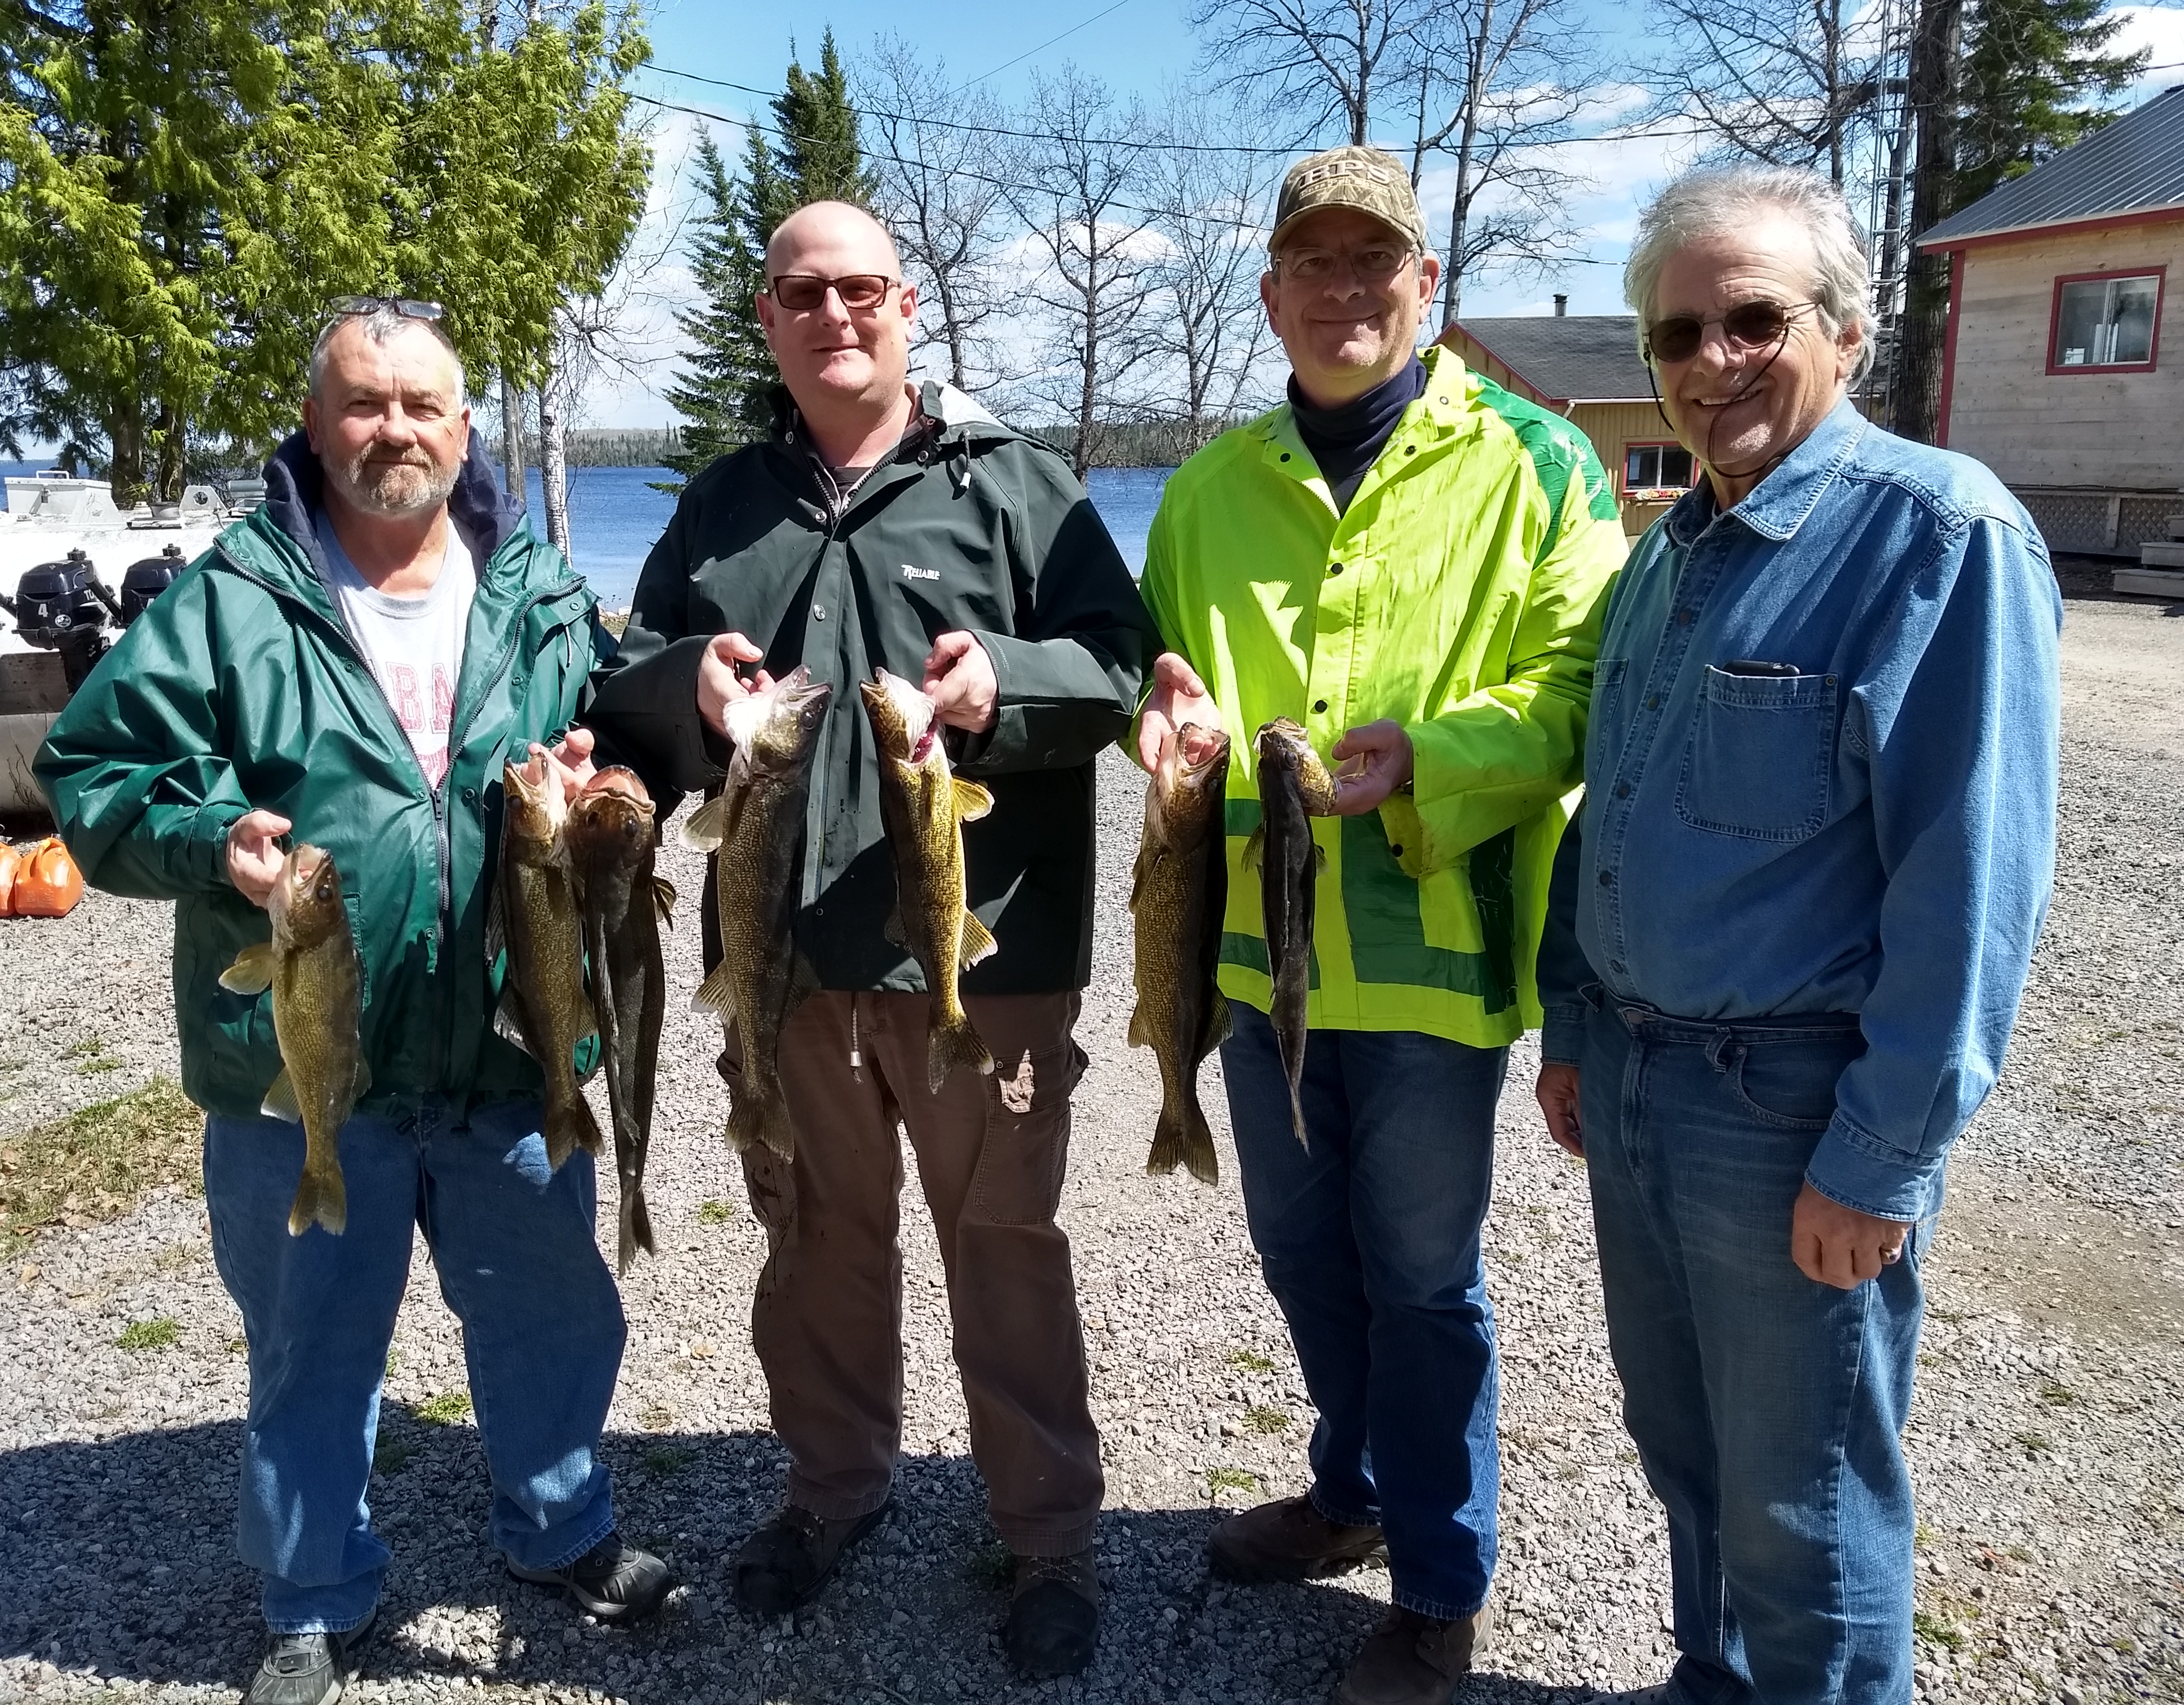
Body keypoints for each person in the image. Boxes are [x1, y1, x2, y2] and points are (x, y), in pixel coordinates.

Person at [36, 300, 671, 1705]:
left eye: (423, 406)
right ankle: (313, 1594)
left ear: (466, 427)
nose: (395, 430)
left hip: (513, 1044)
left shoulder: (545, 590)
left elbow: (619, 744)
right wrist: (215, 842)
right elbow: (89, 784)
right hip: (306, 1060)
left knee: (552, 1311)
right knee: (312, 1337)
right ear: (317, 425)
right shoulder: (229, 599)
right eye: (363, 405)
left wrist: (622, 780)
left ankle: (562, 1527)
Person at [580, 200, 1153, 1676]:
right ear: (765, 321)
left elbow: (1115, 674)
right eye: (802, 294)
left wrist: (996, 689)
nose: (837, 315)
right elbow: (631, 697)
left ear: (910, 307)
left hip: (985, 963)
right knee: (817, 1243)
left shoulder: (1019, 487)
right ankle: (833, 1493)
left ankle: (1047, 1537)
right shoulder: (718, 508)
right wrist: (674, 692)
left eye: (863, 291)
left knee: (1006, 1247)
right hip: (780, 965)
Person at [1532, 165, 2061, 1705]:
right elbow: (1610, 812)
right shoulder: (1668, 553)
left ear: (1842, 330)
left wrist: (1883, 1154)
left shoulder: (1934, 539)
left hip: (1789, 1116)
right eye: (1675, 334)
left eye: (1751, 321)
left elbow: (1970, 889)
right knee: (1686, 1451)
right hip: (1639, 1088)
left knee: (1805, 1503)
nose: (1709, 364)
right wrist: (1575, 1026)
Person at [1133, 145, 1629, 1705]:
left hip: (1434, 960)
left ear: (1428, 286)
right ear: (1272, 293)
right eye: (1316, 266)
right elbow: (1166, 684)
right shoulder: (1209, 491)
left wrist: (1435, 758)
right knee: (1296, 1248)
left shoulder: (1540, 464)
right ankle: (1348, 1491)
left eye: (1377, 264)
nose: (1346, 291)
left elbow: (1576, 695)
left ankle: (1439, 1580)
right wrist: (1170, 732)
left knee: (1420, 1274)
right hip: (1240, 956)